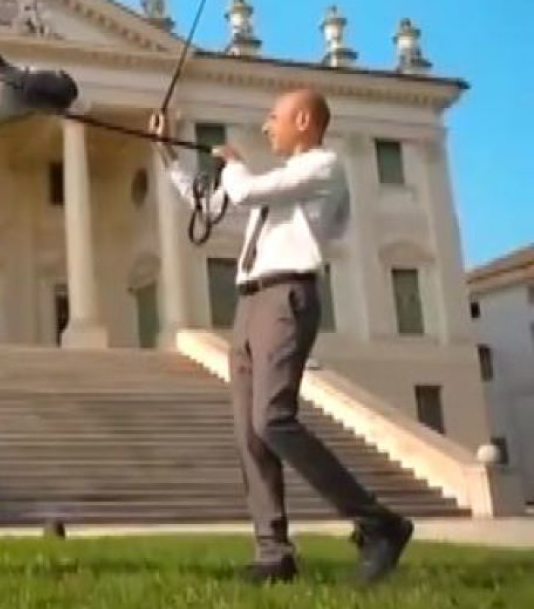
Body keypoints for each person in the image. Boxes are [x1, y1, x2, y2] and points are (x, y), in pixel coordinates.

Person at [148, 89, 413, 585]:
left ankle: (380, 524)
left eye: (274, 117)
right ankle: (273, 553)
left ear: (304, 120)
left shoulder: (324, 167)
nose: (267, 127)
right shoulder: (279, 183)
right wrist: (166, 151)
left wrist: (233, 162)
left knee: (272, 419)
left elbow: (246, 191)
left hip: (286, 297)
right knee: (249, 433)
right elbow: (210, 205)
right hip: (250, 302)